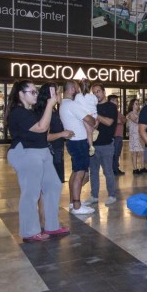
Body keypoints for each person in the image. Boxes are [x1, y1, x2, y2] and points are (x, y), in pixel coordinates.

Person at [7, 80, 71, 240]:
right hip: (26, 152)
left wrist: (49, 105)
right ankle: (30, 232)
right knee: (31, 192)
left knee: (53, 186)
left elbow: (45, 129)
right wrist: (50, 104)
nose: (36, 94)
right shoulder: (18, 112)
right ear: (21, 94)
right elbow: (41, 128)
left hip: (41, 151)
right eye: (32, 92)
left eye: (36, 91)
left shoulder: (31, 111)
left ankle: (51, 226)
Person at [60, 80, 97, 215]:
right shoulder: (72, 105)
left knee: (76, 172)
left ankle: (72, 202)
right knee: (80, 173)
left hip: (73, 141)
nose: (78, 91)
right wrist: (94, 119)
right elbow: (90, 120)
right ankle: (77, 206)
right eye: (76, 89)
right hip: (79, 142)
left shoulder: (63, 104)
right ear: (71, 90)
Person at [83, 84, 118, 206]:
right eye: (94, 92)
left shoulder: (111, 107)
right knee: (93, 171)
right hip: (93, 145)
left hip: (107, 145)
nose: (96, 94)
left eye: (98, 91)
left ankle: (112, 195)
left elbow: (109, 122)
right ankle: (94, 196)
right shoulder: (92, 106)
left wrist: (95, 115)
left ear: (104, 92)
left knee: (108, 171)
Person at [35, 83, 74, 184]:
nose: (59, 94)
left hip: (57, 150)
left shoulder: (53, 109)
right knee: (52, 183)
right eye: (57, 92)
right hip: (51, 152)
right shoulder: (46, 111)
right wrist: (62, 134)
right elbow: (45, 137)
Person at [74, 79, 99, 156]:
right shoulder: (93, 96)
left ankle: (91, 146)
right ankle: (90, 142)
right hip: (94, 115)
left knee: (88, 131)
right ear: (90, 87)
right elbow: (96, 103)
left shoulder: (78, 96)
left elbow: (75, 105)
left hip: (85, 116)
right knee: (90, 131)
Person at [126, 99, 147, 175]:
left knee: (142, 151)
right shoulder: (131, 114)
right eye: (136, 103)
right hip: (134, 134)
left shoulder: (139, 113)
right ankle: (135, 169)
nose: (137, 105)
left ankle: (142, 167)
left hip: (140, 134)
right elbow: (137, 121)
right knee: (135, 152)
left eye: (138, 104)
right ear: (132, 105)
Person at [109, 94, 125, 175]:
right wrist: (120, 121)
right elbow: (118, 121)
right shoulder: (111, 111)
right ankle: (114, 169)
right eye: (116, 101)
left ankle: (116, 168)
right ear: (111, 101)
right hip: (115, 136)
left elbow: (124, 119)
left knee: (117, 153)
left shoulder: (117, 111)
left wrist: (121, 120)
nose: (118, 103)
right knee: (114, 154)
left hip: (119, 136)